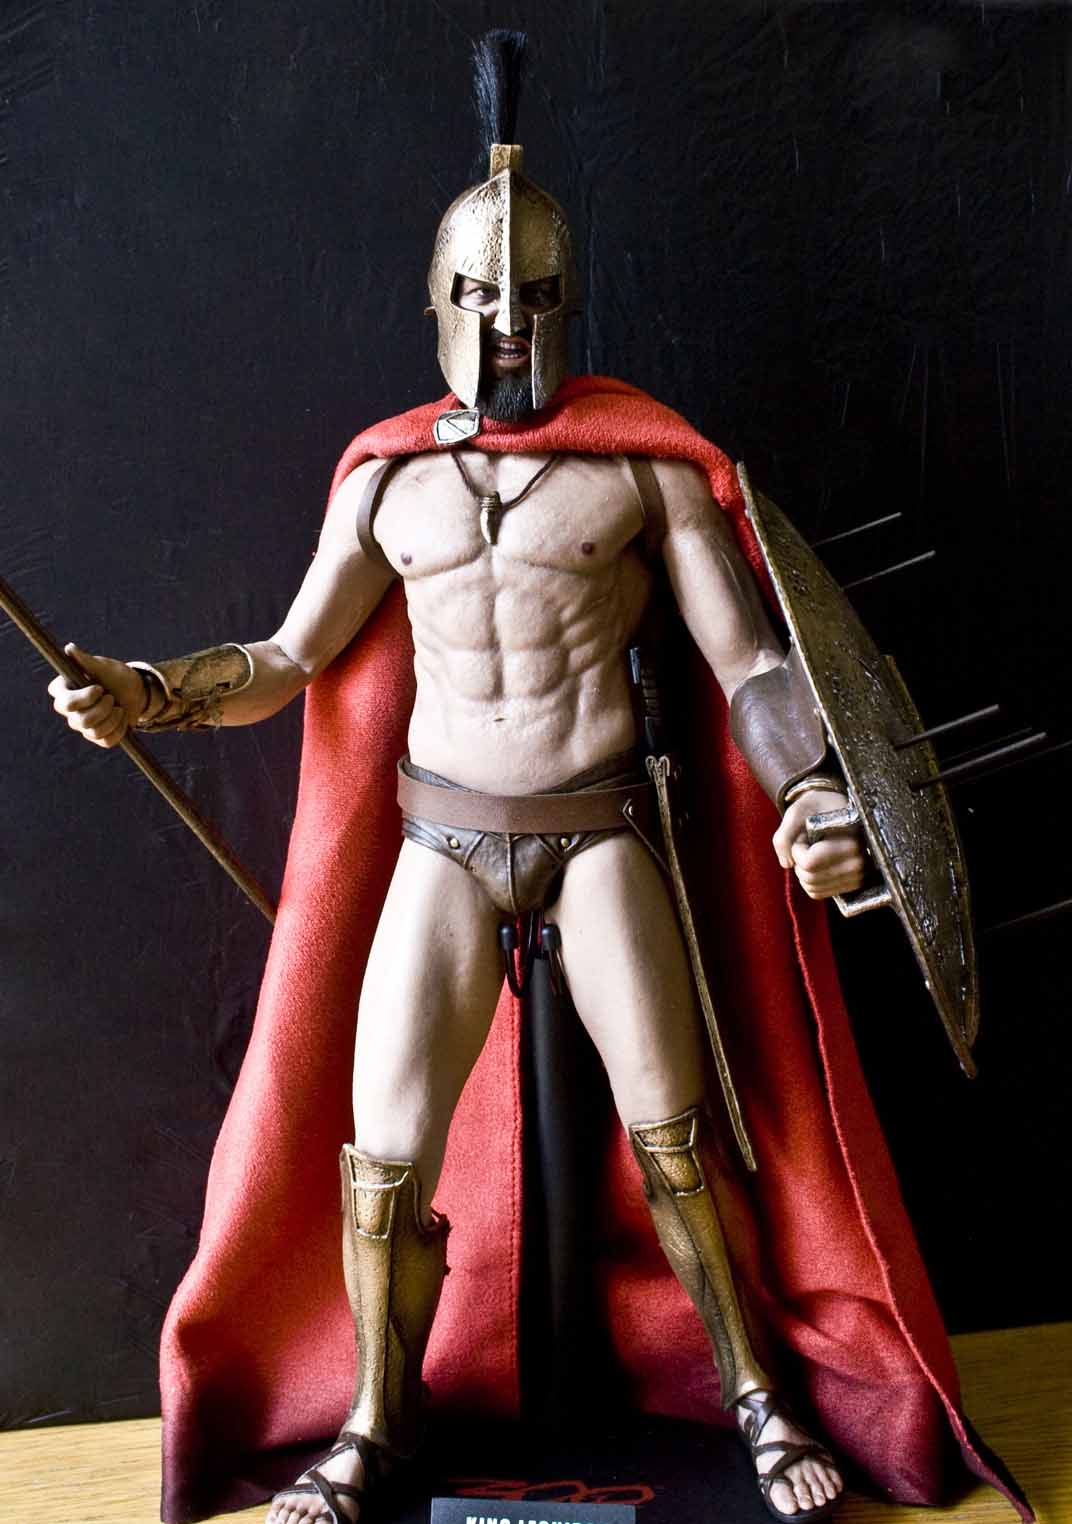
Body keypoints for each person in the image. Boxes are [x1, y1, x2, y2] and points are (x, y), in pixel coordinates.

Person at [48, 36, 1030, 1524]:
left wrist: (815, 795)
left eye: (539, 299)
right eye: (484, 297)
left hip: (598, 831)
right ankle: (377, 1421)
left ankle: (756, 1397)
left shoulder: (641, 469)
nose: (511, 326)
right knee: (383, 1157)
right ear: (437, 300)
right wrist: (148, 693)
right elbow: (290, 656)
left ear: (574, 303)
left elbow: (751, 670)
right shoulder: (387, 482)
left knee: (677, 1139)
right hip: (442, 841)